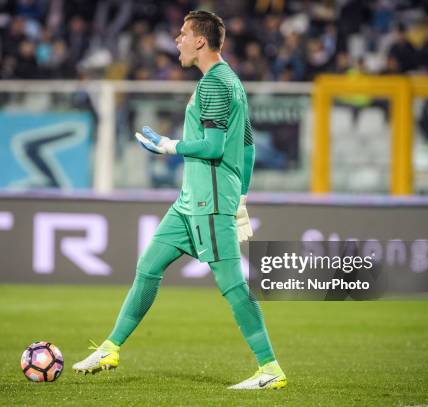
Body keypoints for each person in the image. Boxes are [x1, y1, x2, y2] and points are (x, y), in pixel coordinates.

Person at [72, 10, 287, 390]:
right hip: (190, 202)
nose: (177, 40)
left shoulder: (215, 85)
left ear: (200, 41)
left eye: (183, 34)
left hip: (209, 202)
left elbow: (216, 146)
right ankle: (110, 347)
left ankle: (269, 368)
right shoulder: (229, 81)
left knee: (233, 286)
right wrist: (243, 197)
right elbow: (249, 147)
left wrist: (169, 146)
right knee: (148, 267)